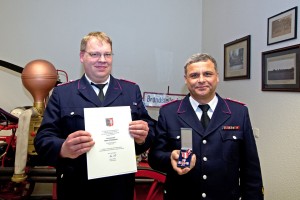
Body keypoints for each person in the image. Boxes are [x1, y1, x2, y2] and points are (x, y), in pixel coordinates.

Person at [34, 31, 155, 200]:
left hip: (119, 189)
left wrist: (143, 137)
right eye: (95, 54)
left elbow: (150, 130)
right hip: (77, 188)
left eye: (107, 54)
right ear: (82, 56)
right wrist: (63, 148)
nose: (102, 60)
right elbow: (43, 140)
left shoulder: (130, 91)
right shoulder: (63, 93)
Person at [148, 53, 264, 200]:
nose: (201, 80)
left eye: (207, 74)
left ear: (217, 77)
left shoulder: (238, 112)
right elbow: (155, 157)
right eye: (194, 75)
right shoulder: (169, 112)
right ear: (186, 80)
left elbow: (250, 168)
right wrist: (170, 158)